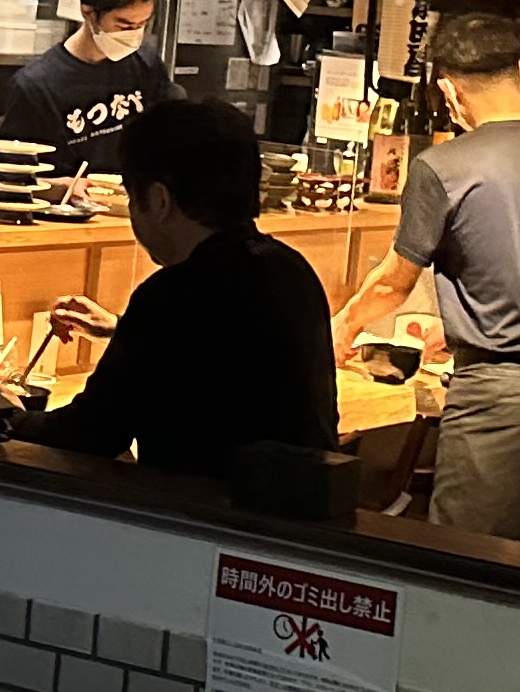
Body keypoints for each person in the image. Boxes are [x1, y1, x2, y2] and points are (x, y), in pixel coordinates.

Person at [330, 8, 520, 543]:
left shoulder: (443, 166)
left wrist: (344, 325)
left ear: (448, 90)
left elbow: (393, 283)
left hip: (502, 404)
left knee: (467, 562)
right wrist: (460, 325)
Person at [31, 98, 339, 482]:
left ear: (159, 200)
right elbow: (215, 352)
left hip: (206, 511)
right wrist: (121, 328)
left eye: (132, 195)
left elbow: (90, 434)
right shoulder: (291, 269)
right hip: (296, 509)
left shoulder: (173, 295)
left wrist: (3, 413)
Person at [0, 0, 174, 185]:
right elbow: (8, 177)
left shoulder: (146, 65)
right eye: (123, 25)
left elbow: (168, 144)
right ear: (88, 13)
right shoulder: (37, 85)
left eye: (142, 24)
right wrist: (60, 187)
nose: (134, 34)